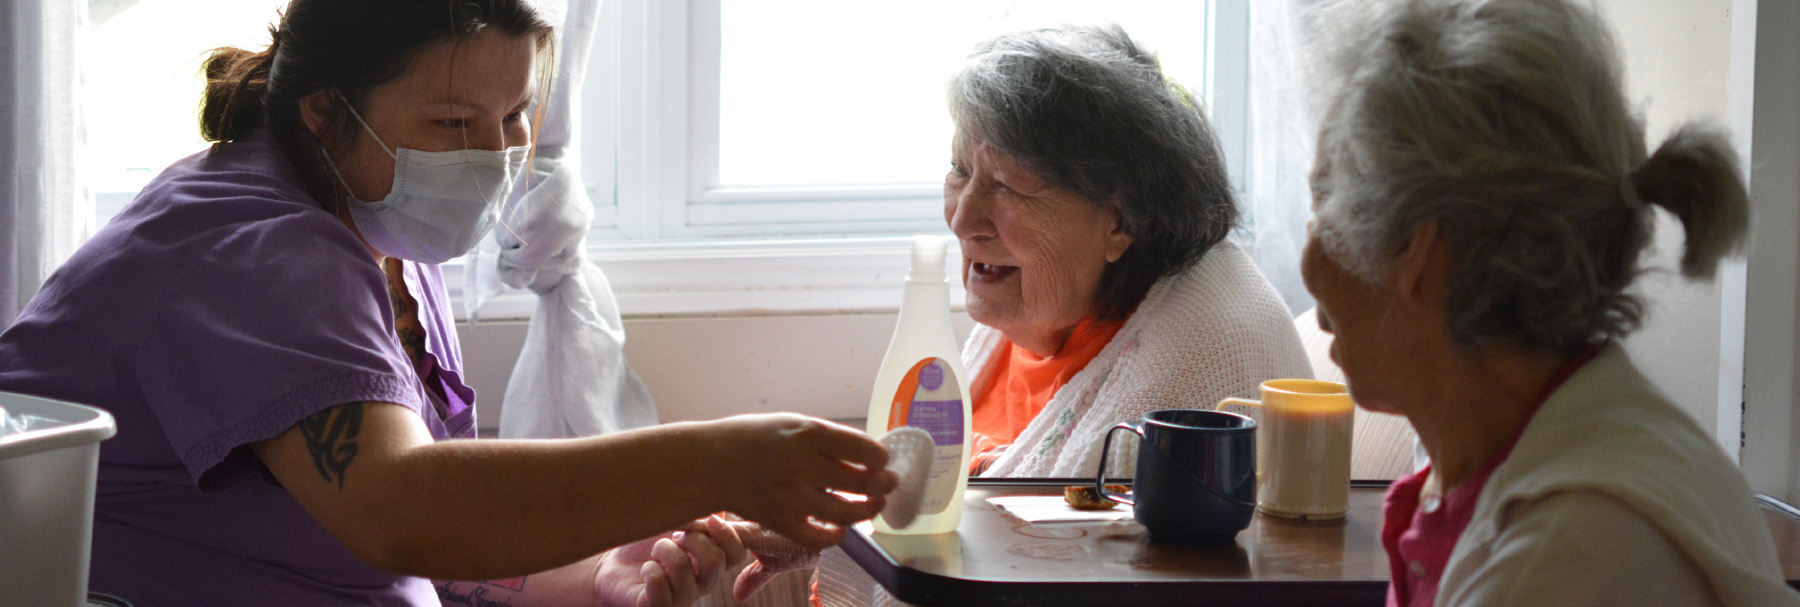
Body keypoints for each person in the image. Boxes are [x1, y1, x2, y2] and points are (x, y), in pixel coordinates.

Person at [0, 1, 894, 606]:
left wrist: (601, 573)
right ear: (325, 110)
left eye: (514, 118)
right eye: (455, 124)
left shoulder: (377, 230)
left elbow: (446, 542)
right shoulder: (257, 248)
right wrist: (722, 458)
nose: (495, 157)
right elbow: (405, 509)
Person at [1299, 0, 1799, 605]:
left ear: (1418, 247)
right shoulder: (1549, 468)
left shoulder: (1567, 554)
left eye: (1326, 211)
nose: (1309, 267)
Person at [945, 24, 1311, 477]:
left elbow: (1075, 543)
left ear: (1120, 221)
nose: (962, 220)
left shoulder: (1194, 373)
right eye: (960, 170)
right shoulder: (1045, 299)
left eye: (1006, 186)